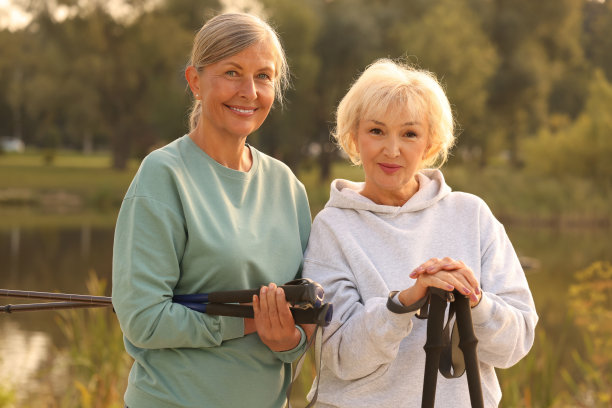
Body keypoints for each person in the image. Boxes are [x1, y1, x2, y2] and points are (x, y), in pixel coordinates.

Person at [302, 59, 538, 407]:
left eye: (409, 134)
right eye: (376, 131)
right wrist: (403, 304)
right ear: (354, 137)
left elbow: (515, 345)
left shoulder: (471, 215)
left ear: (430, 144)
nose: (392, 149)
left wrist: (473, 300)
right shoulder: (333, 226)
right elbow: (338, 357)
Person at [111, 12, 312, 408]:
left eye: (264, 76)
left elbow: (304, 320)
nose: (249, 91)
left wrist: (289, 337)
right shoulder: (163, 175)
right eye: (232, 72)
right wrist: (250, 321)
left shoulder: (287, 186)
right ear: (194, 81)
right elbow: (144, 320)